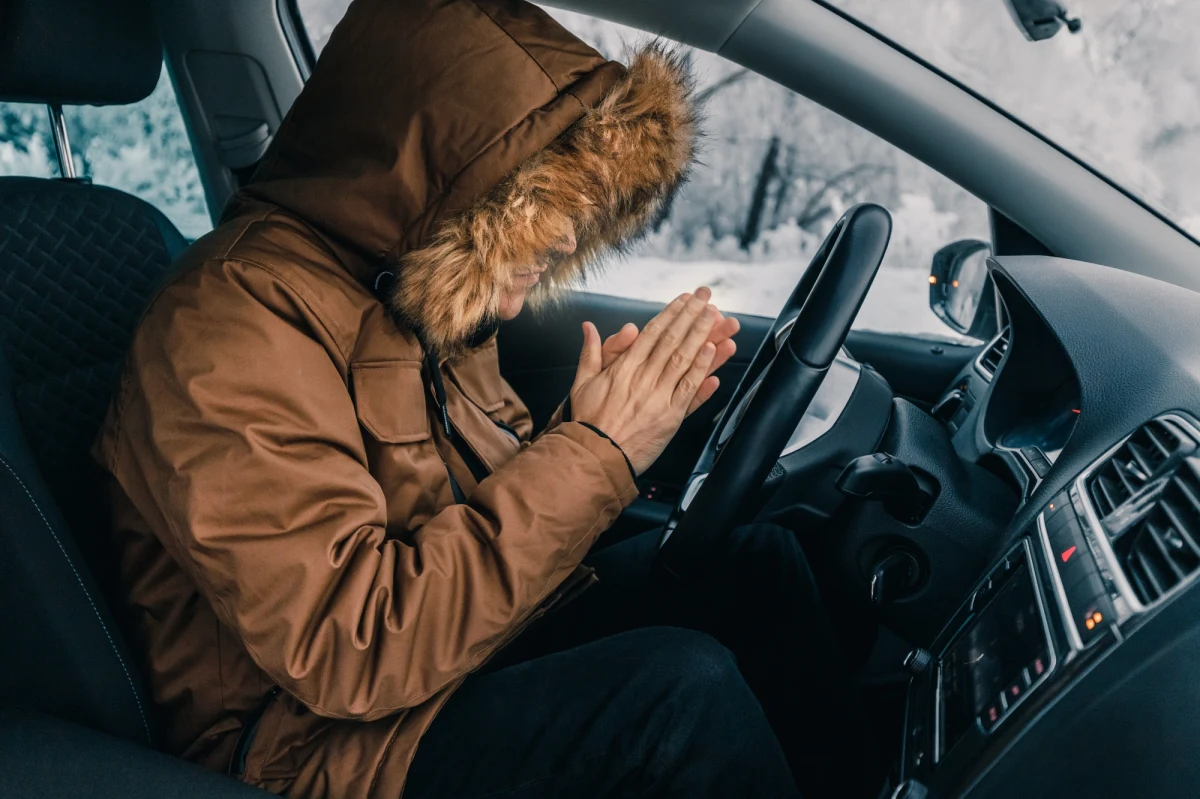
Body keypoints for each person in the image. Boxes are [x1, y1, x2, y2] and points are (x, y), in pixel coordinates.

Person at [94, 1, 876, 796]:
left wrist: (586, 430)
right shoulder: (227, 327)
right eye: (540, 201)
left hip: (448, 660)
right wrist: (594, 454)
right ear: (440, 181)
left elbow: (462, 515)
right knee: (679, 694)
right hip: (312, 747)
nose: (568, 238)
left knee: (758, 567)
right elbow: (352, 647)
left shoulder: (413, 283)